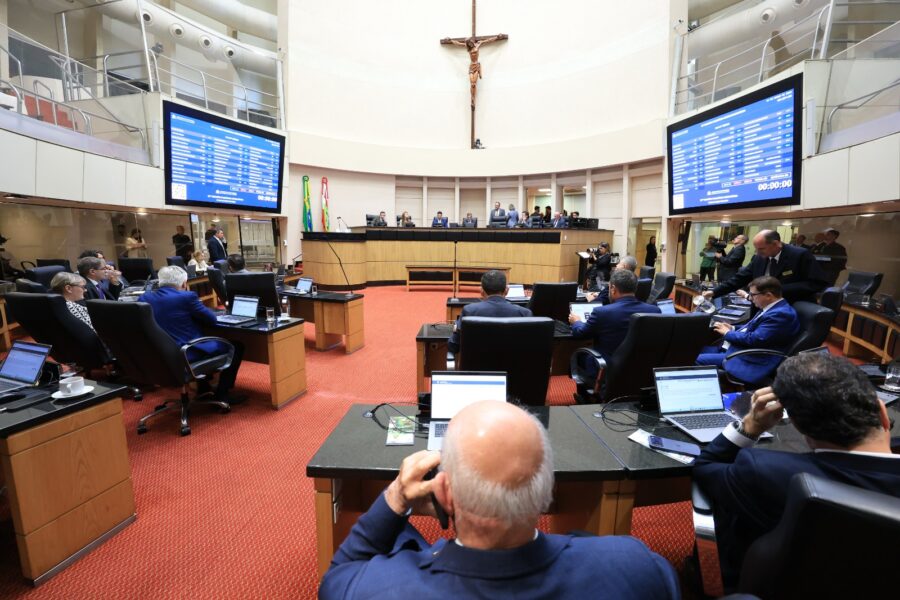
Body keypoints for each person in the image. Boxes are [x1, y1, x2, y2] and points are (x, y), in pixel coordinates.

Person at [320, 401, 680, 599]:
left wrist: (397, 497)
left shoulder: (376, 588)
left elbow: (336, 580)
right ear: (547, 493)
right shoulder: (636, 566)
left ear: (444, 493)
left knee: (402, 537)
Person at [693, 353, 900, 588]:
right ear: (883, 414)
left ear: (801, 428)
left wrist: (752, 425)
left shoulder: (766, 472)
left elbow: (706, 467)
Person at [139, 266, 245, 404]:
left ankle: (204, 387)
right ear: (184, 283)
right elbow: (211, 320)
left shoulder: (145, 298)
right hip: (186, 353)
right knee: (236, 346)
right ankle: (222, 393)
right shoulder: (186, 297)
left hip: (161, 354)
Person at [696, 276, 800, 384]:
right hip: (738, 349)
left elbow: (754, 339)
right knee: (697, 349)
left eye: (753, 295)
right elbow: (751, 326)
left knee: (697, 359)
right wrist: (732, 328)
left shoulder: (781, 315)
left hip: (751, 358)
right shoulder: (772, 307)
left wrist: (727, 333)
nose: (750, 298)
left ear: (768, 295)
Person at [703, 229, 828, 304]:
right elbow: (739, 278)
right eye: (756, 249)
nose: (758, 253)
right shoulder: (760, 258)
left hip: (790, 307)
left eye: (761, 249)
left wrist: (777, 290)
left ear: (776, 244)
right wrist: (714, 292)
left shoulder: (800, 255)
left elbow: (817, 283)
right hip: (761, 309)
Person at [569, 270, 661, 362]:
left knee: (578, 358)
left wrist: (577, 321)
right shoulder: (654, 311)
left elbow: (581, 334)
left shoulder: (602, 312)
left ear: (613, 289)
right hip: (642, 367)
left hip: (608, 369)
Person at [447, 270, 532, 353]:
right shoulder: (524, 314)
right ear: (506, 290)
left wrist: (456, 330)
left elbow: (453, 346)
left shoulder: (469, 311)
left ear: (481, 291)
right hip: (513, 366)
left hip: (476, 367)